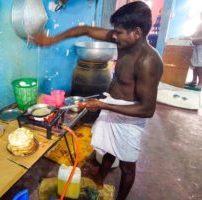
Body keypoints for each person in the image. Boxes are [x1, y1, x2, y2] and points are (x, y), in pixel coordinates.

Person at [31, 1, 163, 199]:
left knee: (127, 165)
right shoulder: (124, 40)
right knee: (111, 147)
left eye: (118, 33)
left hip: (131, 116)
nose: (114, 36)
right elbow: (85, 30)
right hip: (113, 104)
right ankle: (100, 178)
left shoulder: (148, 61)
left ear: (137, 32)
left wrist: (102, 104)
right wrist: (52, 40)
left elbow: (147, 109)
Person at [185, 12, 202, 89]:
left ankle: (200, 82)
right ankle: (194, 80)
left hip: (201, 47)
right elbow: (194, 34)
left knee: (200, 66)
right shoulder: (199, 25)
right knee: (194, 65)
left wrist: (193, 39)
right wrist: (187, 37)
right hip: (195, 46)